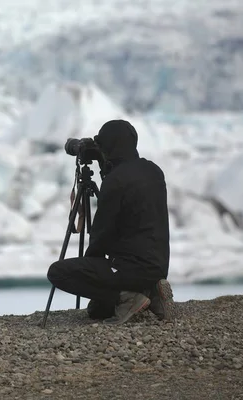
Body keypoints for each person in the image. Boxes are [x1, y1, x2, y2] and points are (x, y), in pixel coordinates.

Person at [47, 119, 175, 325]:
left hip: (128, 269)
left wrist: (92, 268)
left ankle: (128, 298)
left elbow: (101, 235)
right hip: (158, 267)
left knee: (57, 272)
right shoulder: (154, 171)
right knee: (97, 311)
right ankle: (152, 291)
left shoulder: (115, 181)